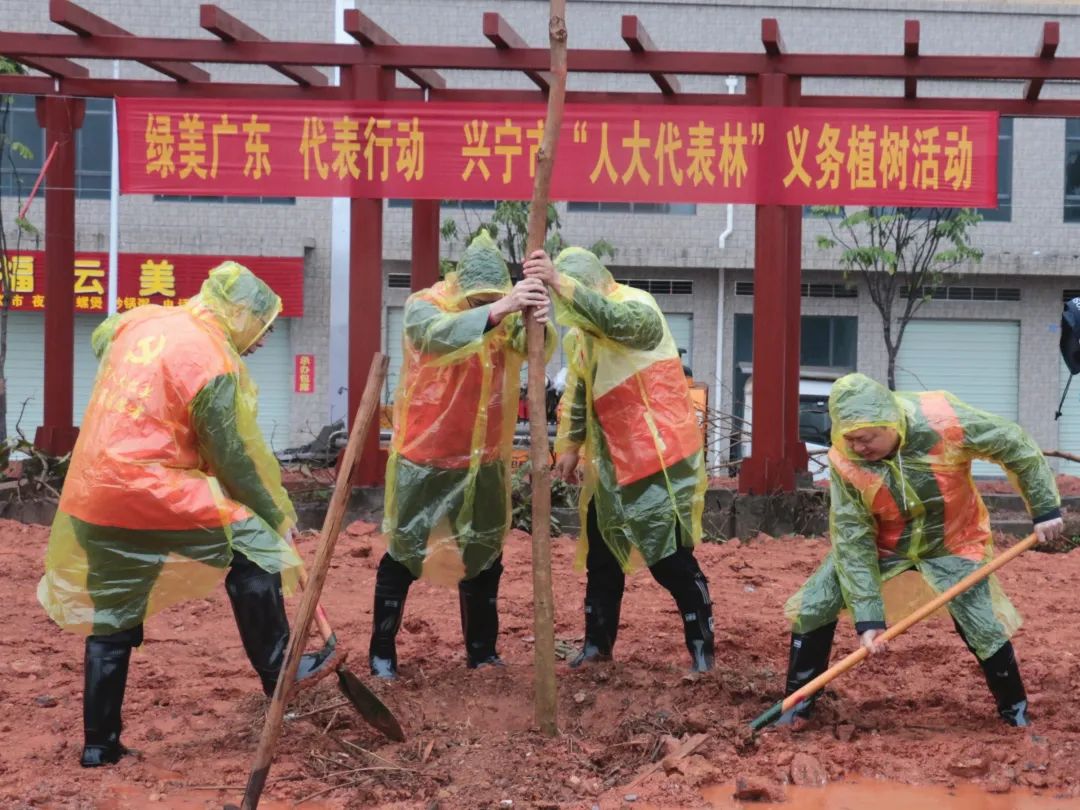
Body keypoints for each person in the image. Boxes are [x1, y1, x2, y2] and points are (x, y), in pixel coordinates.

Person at [38, 262, 334, 767]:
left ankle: (99, 746)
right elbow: (232, 458)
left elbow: (102, 339)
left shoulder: (144, 321)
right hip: (149, 488)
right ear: (239, 315)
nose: (261, 342)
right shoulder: (212, 358)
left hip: (93, 491)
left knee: (112, 617)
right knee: (254, 546)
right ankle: (282, 667)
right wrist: (272, 513)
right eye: (261, 330)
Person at [781, 372, 1064, 727]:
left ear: (890, 422)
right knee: (815, 603)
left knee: (981, 622)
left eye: (866, 438)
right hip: (887, 545)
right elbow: (853, 538)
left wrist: (1044, 509)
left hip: (952, 541)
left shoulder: (942, 421)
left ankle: (1015, 712)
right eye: (849, 439)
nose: (858, 447)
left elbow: (1014, 444)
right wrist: (868, 620)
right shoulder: (845, 459)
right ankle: (796, 708)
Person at [371, 231, 554, 678]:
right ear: (461, 289)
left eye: (492, 299)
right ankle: (381, 653)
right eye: (479, 300)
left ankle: (482, 652)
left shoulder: (504, 315)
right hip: (425, 459)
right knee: (405, 553)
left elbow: (535, 352)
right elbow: (434, 338)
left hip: (484, 461)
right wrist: (500, 308)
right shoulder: (426, 307)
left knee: (484, 554)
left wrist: (542, 322)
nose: (485, 307)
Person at [523, 247, 714, 672]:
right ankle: (597, 645)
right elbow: (578, 393)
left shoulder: (636, 307)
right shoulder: (581, 337)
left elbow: (613, 322)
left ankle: (702, 646)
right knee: (603, 556)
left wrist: (558, 282)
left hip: (658, 458)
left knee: (669, 559)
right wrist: (569, 447)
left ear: (589, 287)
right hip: (611, 461)